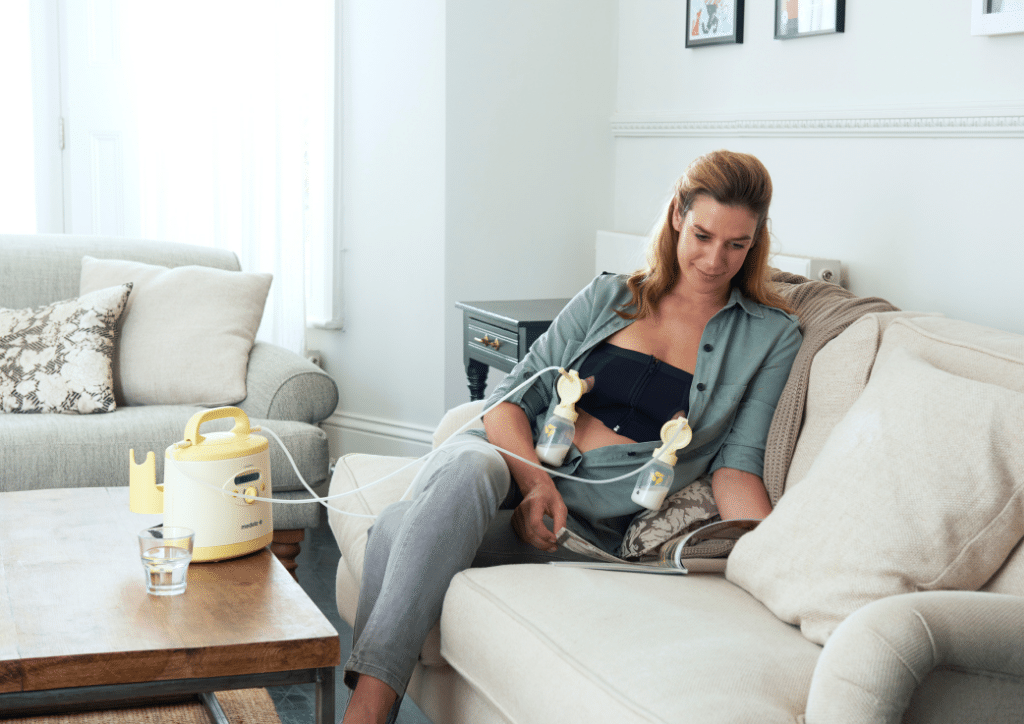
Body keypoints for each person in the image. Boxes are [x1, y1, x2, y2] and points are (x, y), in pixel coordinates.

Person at [341, 149, 803, 724]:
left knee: (395, 527)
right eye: (704, 235)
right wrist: (536, 484)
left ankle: (365, 707)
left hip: (583, 529)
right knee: (466, 467)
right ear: (678, 215)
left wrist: (774, 568)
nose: (715, 260)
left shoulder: (771, 335)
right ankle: (368, 709)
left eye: (738, 244)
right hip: (509, 464)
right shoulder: (610, 296)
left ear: (756, 240)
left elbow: (738, 464)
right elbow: (508, 401)